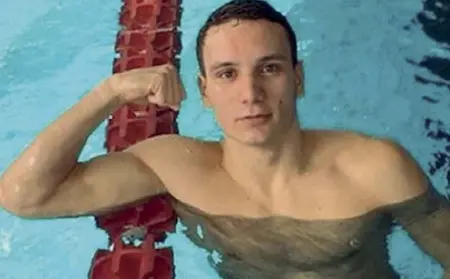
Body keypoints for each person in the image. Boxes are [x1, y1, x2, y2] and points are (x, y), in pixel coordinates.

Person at [1, 0, 449, 278]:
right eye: (227, 74)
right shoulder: (177, 168)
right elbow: (25, 196)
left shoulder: (375, 168)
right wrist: (110, 92)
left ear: (298, 78)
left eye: (269, 69)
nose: (250, 94)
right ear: (205, 92)